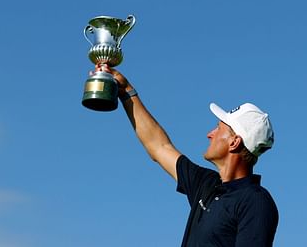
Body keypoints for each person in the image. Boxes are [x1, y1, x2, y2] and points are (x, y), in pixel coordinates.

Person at [99, 65, 279, 247]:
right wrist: (127, 92)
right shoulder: (207, 184)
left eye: (219, 128)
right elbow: (159, 147)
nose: (210, 133)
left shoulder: (256, 202)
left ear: (234, 142)